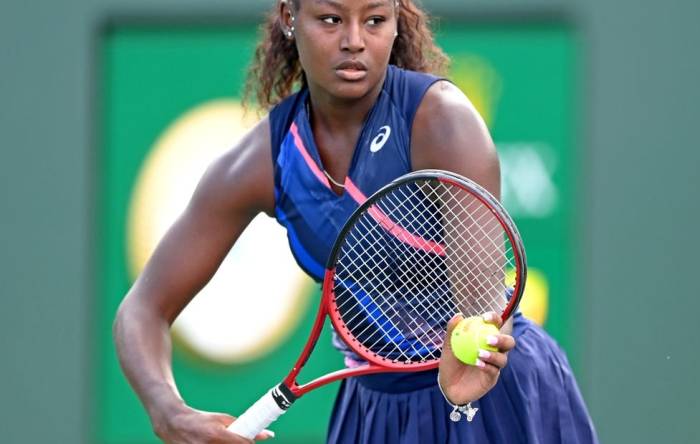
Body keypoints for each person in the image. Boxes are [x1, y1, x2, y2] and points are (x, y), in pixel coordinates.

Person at [113, 0, 598, 442]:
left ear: (394, 24)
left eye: (374, 20)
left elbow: (484, 295)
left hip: (489, 391)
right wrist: (167, 412)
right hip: (372, 410)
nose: (354, 40)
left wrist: (474, 347)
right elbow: (142, 310)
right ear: (288, 17)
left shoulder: (442, 121)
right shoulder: (265, 160)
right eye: (330, 19)